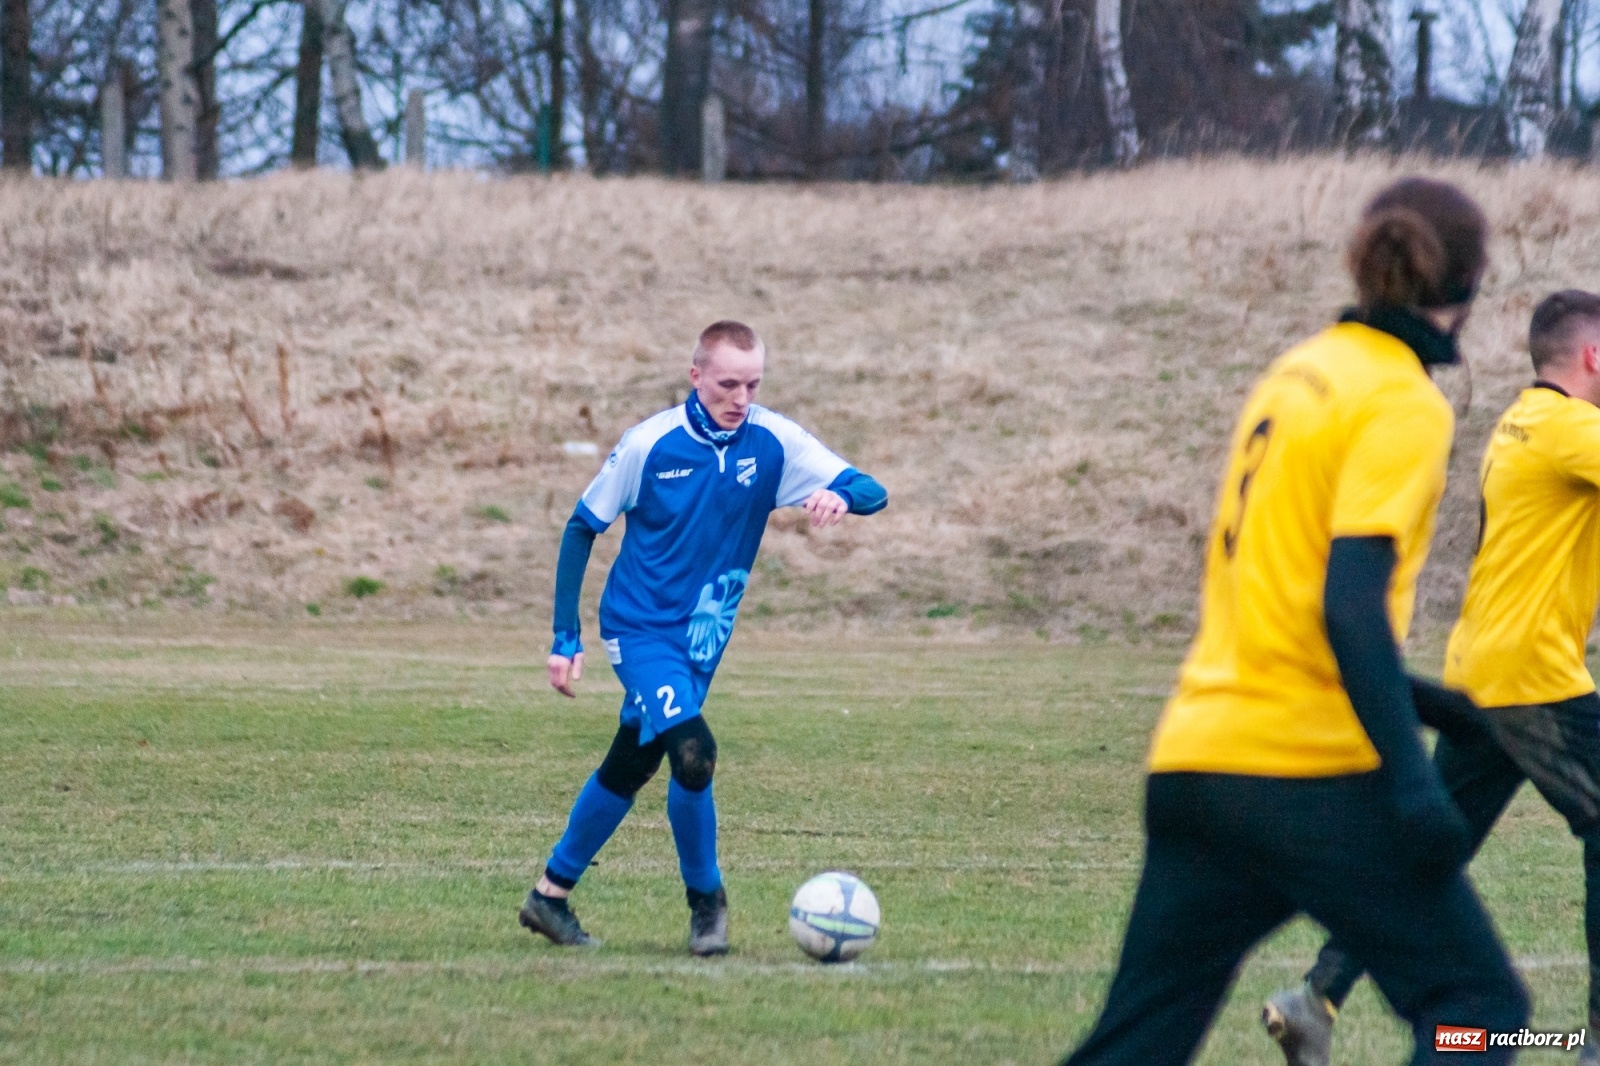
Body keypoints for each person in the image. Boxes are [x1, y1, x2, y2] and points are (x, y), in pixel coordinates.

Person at [1057, 177, 1530, 1066]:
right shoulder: (1402, 400)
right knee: (1480, 1005)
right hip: (1305, 771)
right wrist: (1415, 783)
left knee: (1139, 1038)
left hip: (1200, 762)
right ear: (1467, 290)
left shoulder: (1298, 370)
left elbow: (1286, 605)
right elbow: (1348, 605)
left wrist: (1436, 708)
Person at [1264, 290, 1600, 1066]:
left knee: (1429, 852)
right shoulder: (1572, 429)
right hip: (1532, 678)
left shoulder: (1522, 421)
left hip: (1484, 670)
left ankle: (1313, 998)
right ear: (1591, 358)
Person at [517, 320, 887, 956]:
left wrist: (837, 497)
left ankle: (549, 896)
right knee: (694, 751)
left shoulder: (774, 440)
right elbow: (582, 527)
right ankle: (707, 902)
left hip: (702, 639)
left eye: (752, 384)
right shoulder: (650, 444)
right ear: (696, 376)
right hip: (638, 628)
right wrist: (563, 635)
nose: (740, 398)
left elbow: (871, 489)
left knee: (632, 762)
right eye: (727, 384)